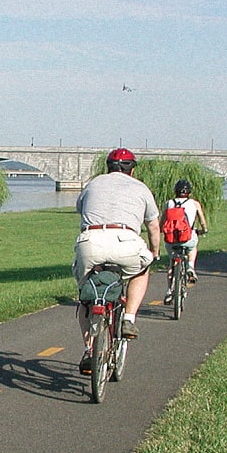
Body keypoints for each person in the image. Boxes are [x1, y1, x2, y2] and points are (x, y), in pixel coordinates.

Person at [72, 148, 161, 373]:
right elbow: (153, 226)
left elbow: (81, 210)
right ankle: (128, 318)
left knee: (86, 298)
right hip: (126, 241)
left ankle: (89, 351)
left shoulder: (93, 184)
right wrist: (154, 251)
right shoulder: (141, 188)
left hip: (91, 242)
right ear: (132, 170)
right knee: (142, 269)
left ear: (108, 167)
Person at [161, 179, 208, 305]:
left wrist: (161, 230)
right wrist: (204, 230)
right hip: (188, 238)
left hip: (171, 240)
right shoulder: (195, 203)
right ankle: (190, 266)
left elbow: (162, 223)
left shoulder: (169, 203)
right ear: (189, 192)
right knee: (192, 247)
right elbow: (202, 222)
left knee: (172, 264)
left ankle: (169, 291)